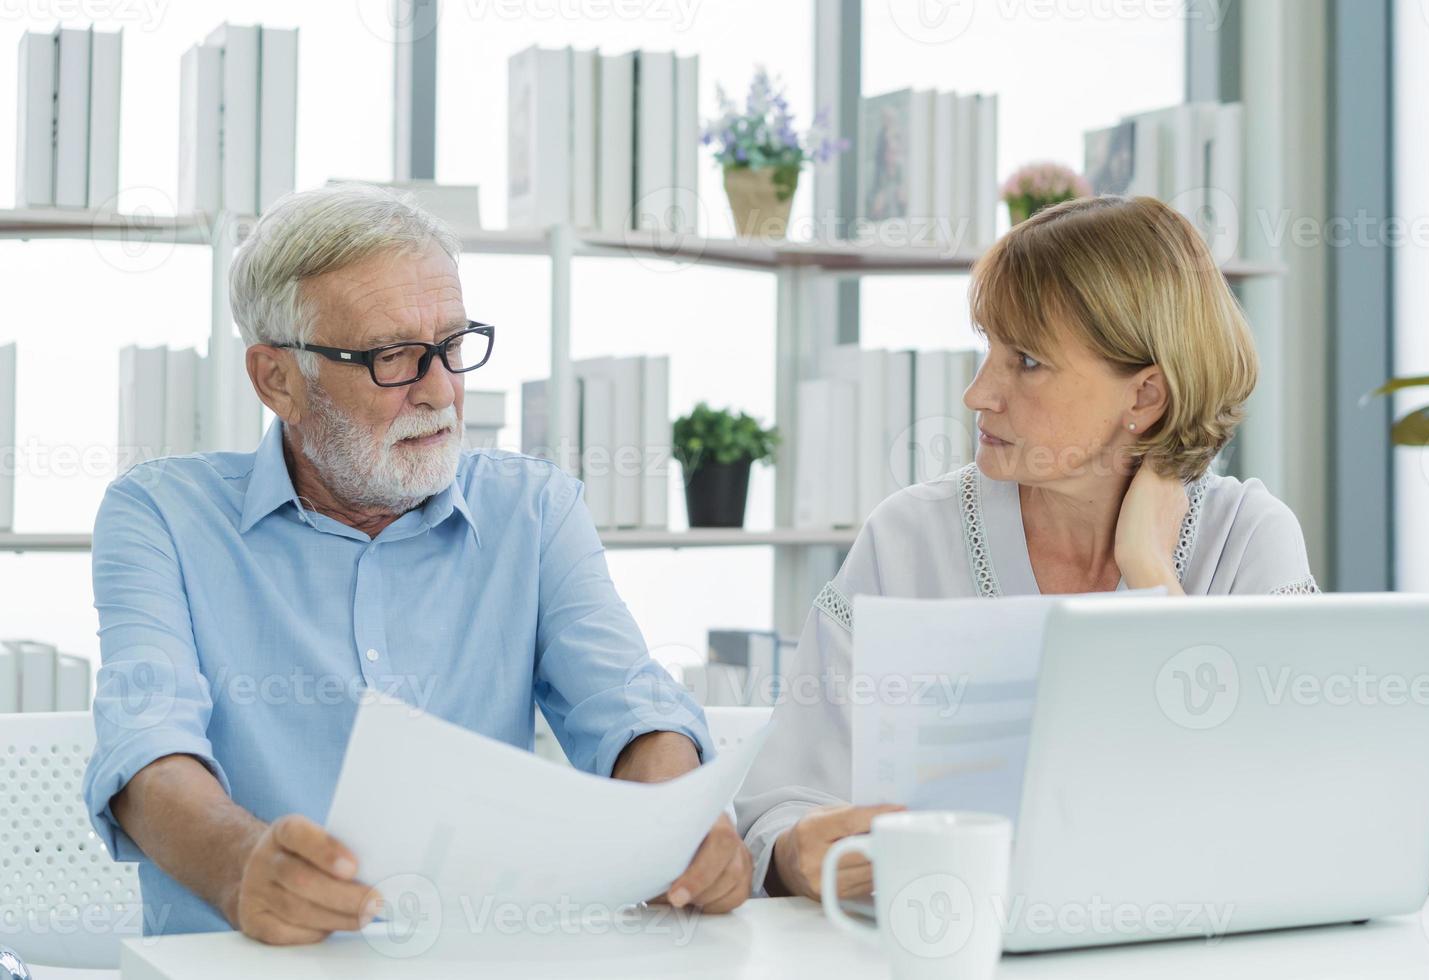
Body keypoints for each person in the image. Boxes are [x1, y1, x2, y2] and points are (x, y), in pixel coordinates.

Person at [83, 184, 751, 942]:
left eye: (453, 347)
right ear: (278, 380)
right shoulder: (163, 516)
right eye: (393, 357)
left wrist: (677, 821)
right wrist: (241, 866)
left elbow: (632, 709)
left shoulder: (532, 511)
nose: (442, 391)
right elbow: (146, 751)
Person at [736, 195, 1320, 902]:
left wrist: (1149, 572)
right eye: (989, 348)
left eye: (1029, 361)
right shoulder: (909, 540)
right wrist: (795, 854)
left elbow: (1278, 820)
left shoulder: (1248, 540)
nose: (978, 393)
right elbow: (778, 806)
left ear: (1145, 396)